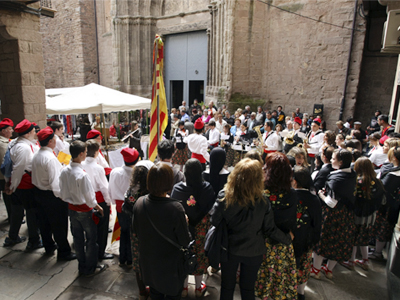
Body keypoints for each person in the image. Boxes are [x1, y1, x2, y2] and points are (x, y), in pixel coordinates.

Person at [212, 158, 292, 300]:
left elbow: (215, 220)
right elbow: (270, 229)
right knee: (248, 289)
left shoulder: (224, 196)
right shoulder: (263, 201)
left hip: (229, 248)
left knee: (227, 286)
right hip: (254, 250)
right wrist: (287, 239)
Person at [133, 163, 191, 299]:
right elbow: (185, 240)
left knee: (155, 293)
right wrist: (185, 223)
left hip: (149, 263)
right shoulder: (176, 208)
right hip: (170, 267)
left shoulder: (140, 203)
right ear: (169, 182)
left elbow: (136, 231)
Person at [59, 140, 106, 277]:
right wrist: (98, 207)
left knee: (78, 239)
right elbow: (90, 198)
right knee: (91, 240)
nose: (86, 154)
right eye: (85, 152)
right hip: (85, 210)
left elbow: (62, 193)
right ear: (80, 154)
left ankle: (82, 265)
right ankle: (90, 267)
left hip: (72, 210)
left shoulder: (64, 171)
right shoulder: (82, 175)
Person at [255, 152, 297, 300]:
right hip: (281, 243)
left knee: (259, 279)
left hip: (259, 242)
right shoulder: (292, 194)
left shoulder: (261, 192)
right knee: (278, 279)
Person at [171, 159, 215, 297]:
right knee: (200, 255)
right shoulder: (207, 188)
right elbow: (212, 209)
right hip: (201, 229)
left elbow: (173, 207)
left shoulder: (177, 189)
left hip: (183, 228)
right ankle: (198, 288)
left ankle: (184, 288)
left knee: (183, 254)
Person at [32, 127, 76, 261]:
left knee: (44, 222)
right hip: (51, 195)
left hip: (39, 192)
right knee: (59, 225)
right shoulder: (50, 158)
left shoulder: (37, 154)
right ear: (51, 141)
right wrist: (63, 197)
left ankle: (49, 246)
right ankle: (64, 251)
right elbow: (55, 184)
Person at [312, 149, 356, 279]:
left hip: (332, 215)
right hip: (346, 215)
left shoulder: (337, 178)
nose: (331, 160)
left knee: (323, 241)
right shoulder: (352, 174)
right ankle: (329, 270)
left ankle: (316, 270)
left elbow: (331, 203)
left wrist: (321, 194)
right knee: (339, 242)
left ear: (341, 162)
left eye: (334, 159)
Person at [340, 157, 384, 271]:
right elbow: (381, 199)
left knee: (353, 238)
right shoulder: (376, 181)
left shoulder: (358, 181)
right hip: (370, 215)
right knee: (364, 237)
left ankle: (351, 261)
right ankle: (365, 260)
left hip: (357, 214)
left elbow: (353, 197)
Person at [5, 120, 42, 250]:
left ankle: (13, 236)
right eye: (33, 131)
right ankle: (33, 241)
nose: (34, 133)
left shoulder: (18, 143)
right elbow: (18, 168)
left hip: (19, 183)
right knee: (31, 213)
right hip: (23, 184)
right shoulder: (23, 148)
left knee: (17, 211)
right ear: (27, 133)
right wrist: (13, 186)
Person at [123, 160, 153, 299]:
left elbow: (126, 209)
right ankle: (153, 289)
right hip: (150, 231)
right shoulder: (150, 191)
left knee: (137, 260)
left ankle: (141, 291)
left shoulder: (130, 191)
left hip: (135, 230)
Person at [292, 166, 322, 300]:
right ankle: (301, 292)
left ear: (295, 181)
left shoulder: (290, 196)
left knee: (291, 265)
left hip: (290, 237)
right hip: (306, 238)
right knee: (303, 266)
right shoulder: (314, 199)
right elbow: (317, 222)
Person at [82, 140, 114, 261]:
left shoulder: (81, 164)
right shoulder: (97, 168)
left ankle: (90, 249)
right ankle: (100, 252)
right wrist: (108, 202)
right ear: (96, 153)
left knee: (89, 227)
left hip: (85, 199)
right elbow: (104, 188)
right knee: (102, 228)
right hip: (98, 200)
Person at [109, 148, 140, 267]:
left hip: (119, 206)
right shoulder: (136, 174)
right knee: (132, 232)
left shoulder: (115, 172)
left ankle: (123, 258)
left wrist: (112, 202)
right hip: (132, 206)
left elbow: (110, 189)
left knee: (124, 231)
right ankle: (131, 258)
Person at [370, 145, 400, 260]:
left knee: (382, 229)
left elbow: (382, 188)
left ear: (395, 158)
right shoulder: (394, 170)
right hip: (390, 206)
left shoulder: (394, 175)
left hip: (387, 207)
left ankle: (377, 252)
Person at [0, 118, 14, 224]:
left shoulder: (7, 141)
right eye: (10, 129)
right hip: (3, 176)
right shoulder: (2, 144)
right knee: (8, 195)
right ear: (3, 131)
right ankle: (12, 217)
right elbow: (5, 162)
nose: (12, 131)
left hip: (5, 175)